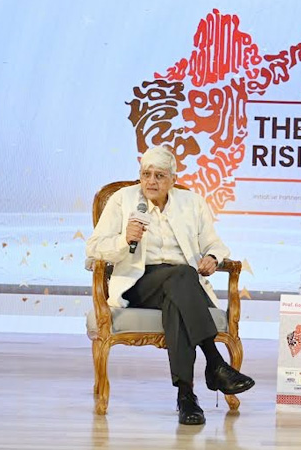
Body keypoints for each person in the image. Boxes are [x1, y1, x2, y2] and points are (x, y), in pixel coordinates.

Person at [86, 145, 254, 426]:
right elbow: (94, 249)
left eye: (159, 176)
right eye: (146, 174)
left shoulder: (192, 202)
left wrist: (213, 257)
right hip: (138, 282)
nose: (151, 181)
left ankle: (186, 397)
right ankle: (214, 363)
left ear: (173, 180)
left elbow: (213, 243)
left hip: (182, 287)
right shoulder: (122, 200)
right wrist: (123, 240)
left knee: (177, 295)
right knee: (183, 276)